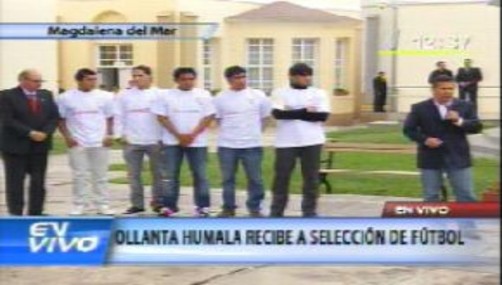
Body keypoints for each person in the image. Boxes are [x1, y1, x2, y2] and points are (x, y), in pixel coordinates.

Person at [403, 75, 482, 202]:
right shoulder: (419, 108)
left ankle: (468, 222)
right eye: (443, 88)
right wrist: (425, 140)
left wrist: (459, 121)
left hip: (458, 157)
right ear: (433, 90)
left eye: (451, 89)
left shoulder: (465, 106)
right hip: (430, 157)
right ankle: (435, 222)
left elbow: (476, 127)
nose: (447, 92)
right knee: (431, 197)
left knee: (466, 196)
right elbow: (409, 130)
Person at [151, 67, 215, 217]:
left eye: (191, 79)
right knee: (171, 175)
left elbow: (208, 117)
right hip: (172, 142)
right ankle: (169, 206)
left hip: (197, 142)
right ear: (176, 80)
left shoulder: (203, 95)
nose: (188, 82)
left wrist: (192, 135)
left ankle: (202, 206)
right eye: (184, 79)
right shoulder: (166, 96)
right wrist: (178, 135)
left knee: (200, 175)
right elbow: (161, 117)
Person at [270, 63, 331, 217]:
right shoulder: (280, 92)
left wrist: (292, 111)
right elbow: (278, 114)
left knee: (311, 178)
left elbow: (321, 116)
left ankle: (309, 211)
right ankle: (277, 212)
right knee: (281, 178)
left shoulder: (318, 93)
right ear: (292, 76)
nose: (307, 78)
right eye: (303, 75)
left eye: (309, 75)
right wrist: (305, 111)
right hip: (286, 142)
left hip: (312, 141)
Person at [213, 66, 272, 217]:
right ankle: (228, 207)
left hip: (252, 145)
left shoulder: (258, 95)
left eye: (243, 77)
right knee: (227, 179)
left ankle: (254, 208)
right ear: (229, 80)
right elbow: (218, 119)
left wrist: (256, 132)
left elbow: (265, 117)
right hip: (227, 145)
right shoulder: (220, 97)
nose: (241, 80)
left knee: (255, 178)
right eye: (237, 78)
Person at [0, 69, 60, 215]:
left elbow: (53, 117)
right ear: (23, 80)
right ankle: (16, 213)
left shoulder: (46, 95)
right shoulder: (7, 96)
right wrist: (30, 133)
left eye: (40, 81)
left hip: (40, 146)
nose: (39, 84)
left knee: (38, 182)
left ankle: (36, 212)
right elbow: (8, 120)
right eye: (35, 81)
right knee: (15, 183)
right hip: (15, 147)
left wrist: (45, 133)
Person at [57, 68, 116, 215]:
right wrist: (67, 137)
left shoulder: (106, 96)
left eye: (95, 79)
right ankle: (80, 204)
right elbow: (61, 119)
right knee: (80, 175)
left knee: (100, 175)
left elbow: (110, 117)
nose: (93, 82)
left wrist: (109, 134)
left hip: (99, 141)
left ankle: (102, 205)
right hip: (78, 142)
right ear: (79, 80)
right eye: (89, 79)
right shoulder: (65, 98)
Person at [115, 65, 164, 215]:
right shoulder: (124, 95)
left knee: (158, 174)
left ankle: (158, 202)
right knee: (134, 174)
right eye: (134, 76)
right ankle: (137, 204)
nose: (136, 78)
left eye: (140, 75)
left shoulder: (160, 94)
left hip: (155, 140)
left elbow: (166, 116)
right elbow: (118, 116)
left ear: (150, 77)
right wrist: (119, 134)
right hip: (132, 141)